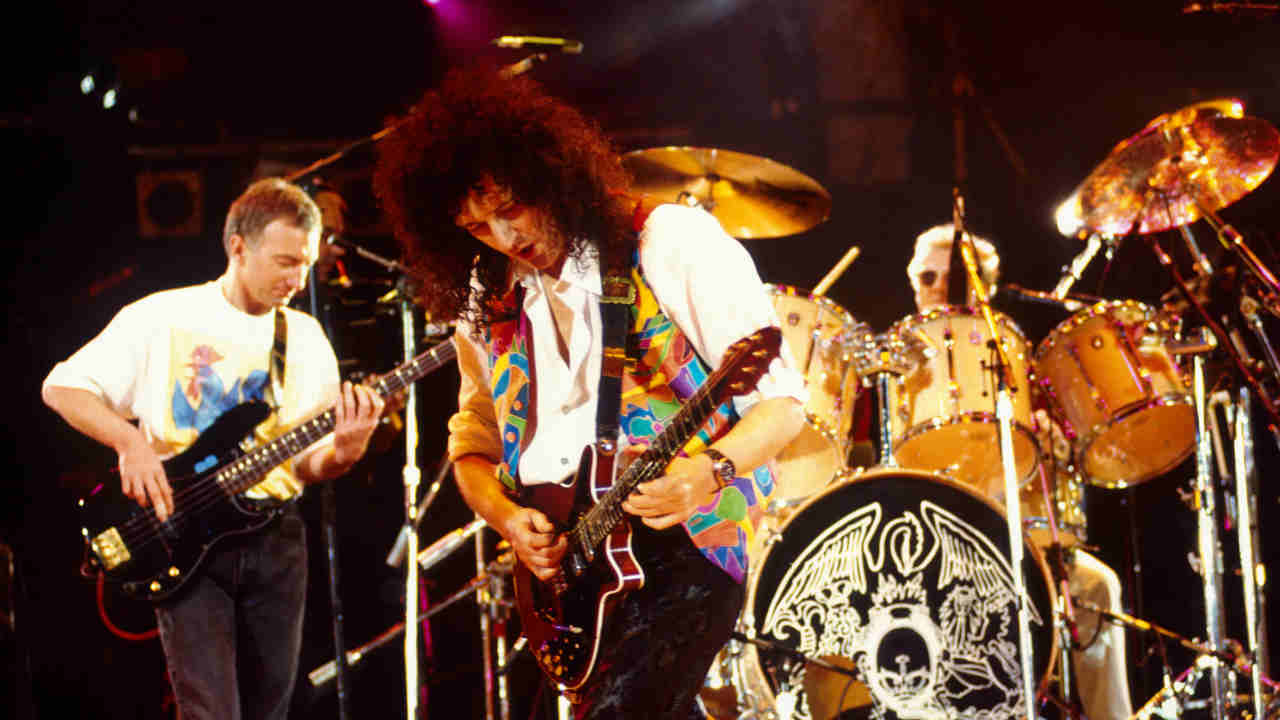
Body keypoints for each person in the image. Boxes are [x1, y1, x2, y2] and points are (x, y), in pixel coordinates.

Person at [373, 67, 807, 719]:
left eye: (510, 206)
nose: (505, 238)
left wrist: (709, 472)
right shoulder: (483, 300)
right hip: (569, 576)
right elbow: (473, 441)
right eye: (476, 227)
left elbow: (784, 407)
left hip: (686, 544)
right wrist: (504, 518)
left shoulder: (667, 243)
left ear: (551, 174)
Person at [41, 178, 385, 720]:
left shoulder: (306, 338)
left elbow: (309, 464)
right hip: (182, 531)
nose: (298, 278)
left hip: (277, 539)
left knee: (270, 709)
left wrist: (348, 448)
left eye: (305, 263)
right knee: (209, 711)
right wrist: (129, 440)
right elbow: (60, 388)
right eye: (284, 262)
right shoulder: (162, 316)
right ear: (238, 247)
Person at [905, 223, 1134, 720]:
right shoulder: (892, 359)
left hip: (1019, 539)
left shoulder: (1016, 362)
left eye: (955, 281)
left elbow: (1077, 451)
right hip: (922, 540)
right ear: (911, 281)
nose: (939, 291)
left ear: (983, 290)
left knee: (1097, 586)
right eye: (927, 278)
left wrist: (1053, 438)